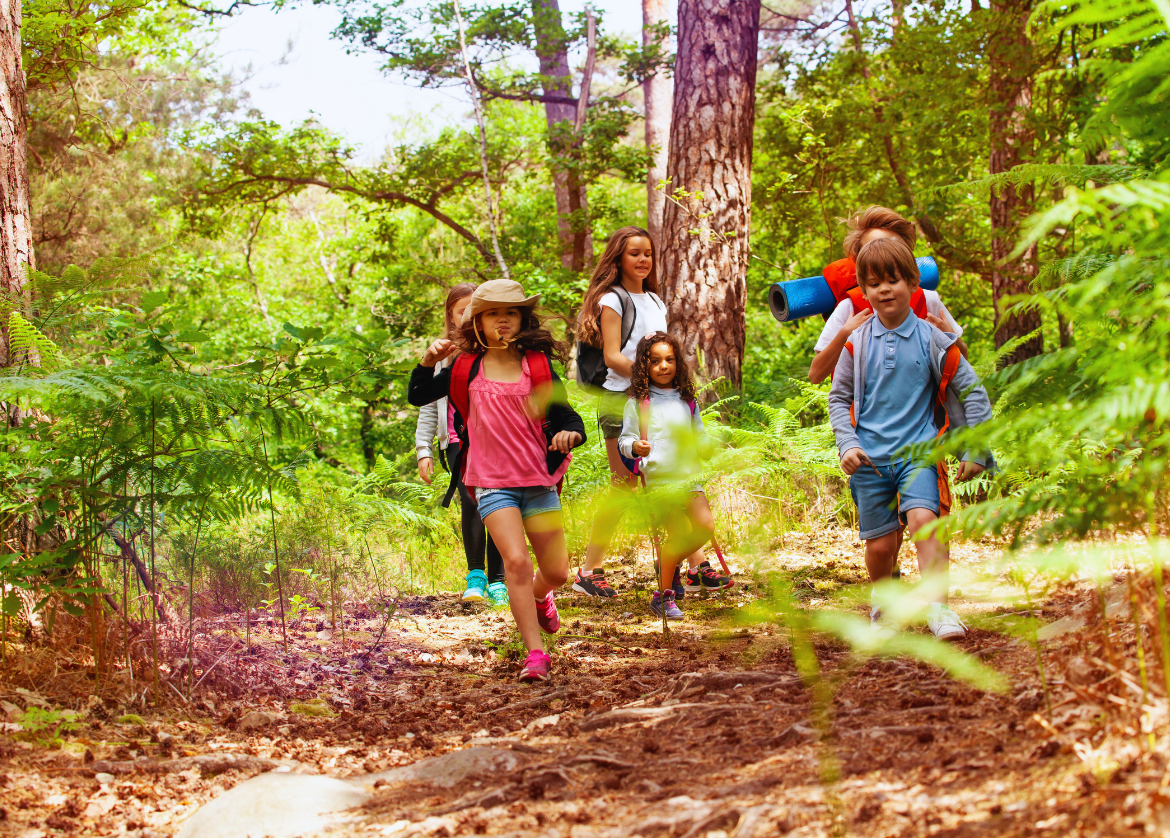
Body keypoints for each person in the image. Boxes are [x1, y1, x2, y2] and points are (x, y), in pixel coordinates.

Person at [408, 280, 586, 682]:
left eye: (510, 312)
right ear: (477, 322)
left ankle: (541, 596)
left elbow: (567, 416)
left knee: (557, 572)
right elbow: (418, 395)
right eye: (492, 313)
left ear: (522, 319)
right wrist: (427, 360)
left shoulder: (536, 365)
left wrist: (570, 434)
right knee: (517, 563)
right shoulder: (464, 367)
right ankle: (535, 654)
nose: (501, 320)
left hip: (538, 481)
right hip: (491, 482)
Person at [828, 237, 992, 641]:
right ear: (863, 291)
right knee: (881, 547)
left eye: (894, 280)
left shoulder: (933, 338)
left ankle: (940, 609)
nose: (885, 290)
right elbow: (838, 398)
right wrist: (847, 444)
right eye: (874, 284)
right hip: (869, 459)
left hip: (919, 453)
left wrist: (975, 449)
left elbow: (973, 392)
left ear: (914, 283)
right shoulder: (856, 341)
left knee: (925, 523)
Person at [572, 227, 668, 598]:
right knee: (624, 483)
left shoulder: (656, 300)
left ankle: (695, 567)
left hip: (653, 400)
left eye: (648, 253)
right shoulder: (612, 299)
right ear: (619, 258)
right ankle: (588, 570)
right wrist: (652, 378)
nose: (643, 260)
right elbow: (613, 356)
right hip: (619, 400)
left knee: (668, 477)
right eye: (634, 253)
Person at [618, 333, 728, 620]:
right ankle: (662, 597)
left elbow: (699, 434)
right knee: (678, 535)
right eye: (655, 361)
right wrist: (635, 447)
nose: (663, 366)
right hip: (660, 480)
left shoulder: (687, 400)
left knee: (705, 526)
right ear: (644, 366)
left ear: (678, 362)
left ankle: (670, 565)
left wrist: (706, 447)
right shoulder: (638, 403)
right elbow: (624, 441)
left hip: (690, 477)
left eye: (669, 359)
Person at [415, 284, 508, 607]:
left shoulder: (496, 348)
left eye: (474, 309)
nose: (468, 315)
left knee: (500, 503)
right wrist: (423, 449)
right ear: (451, 315)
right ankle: (476, 577)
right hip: (457, 440)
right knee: (471, 500)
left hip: (497, 440)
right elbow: (427, 405)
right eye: (461, 310)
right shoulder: (442, 353)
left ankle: (499, 581)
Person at [808, 206, 968, 386]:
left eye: (893, 247)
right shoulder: (850, 308)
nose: (883, 255)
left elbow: (963, 361)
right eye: (872, 249)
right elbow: (816, 375)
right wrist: (844, 334)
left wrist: (951, 338)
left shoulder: (927, 300)